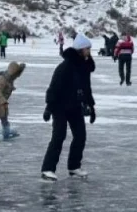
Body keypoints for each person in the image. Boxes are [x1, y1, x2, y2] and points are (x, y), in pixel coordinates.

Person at [41, 34, 96, 181]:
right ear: (80, 50)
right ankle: (47, 169)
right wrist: (48, 108)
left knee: (80, 136)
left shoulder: (84, 67)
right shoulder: (65, 67)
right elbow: (54, 87)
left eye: (89, 49)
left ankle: (74, 166)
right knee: (59, 135)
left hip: (75, 106)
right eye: (87, 49)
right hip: (59, 105)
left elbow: (86, 89)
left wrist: (91, 106)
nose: (89, 52)